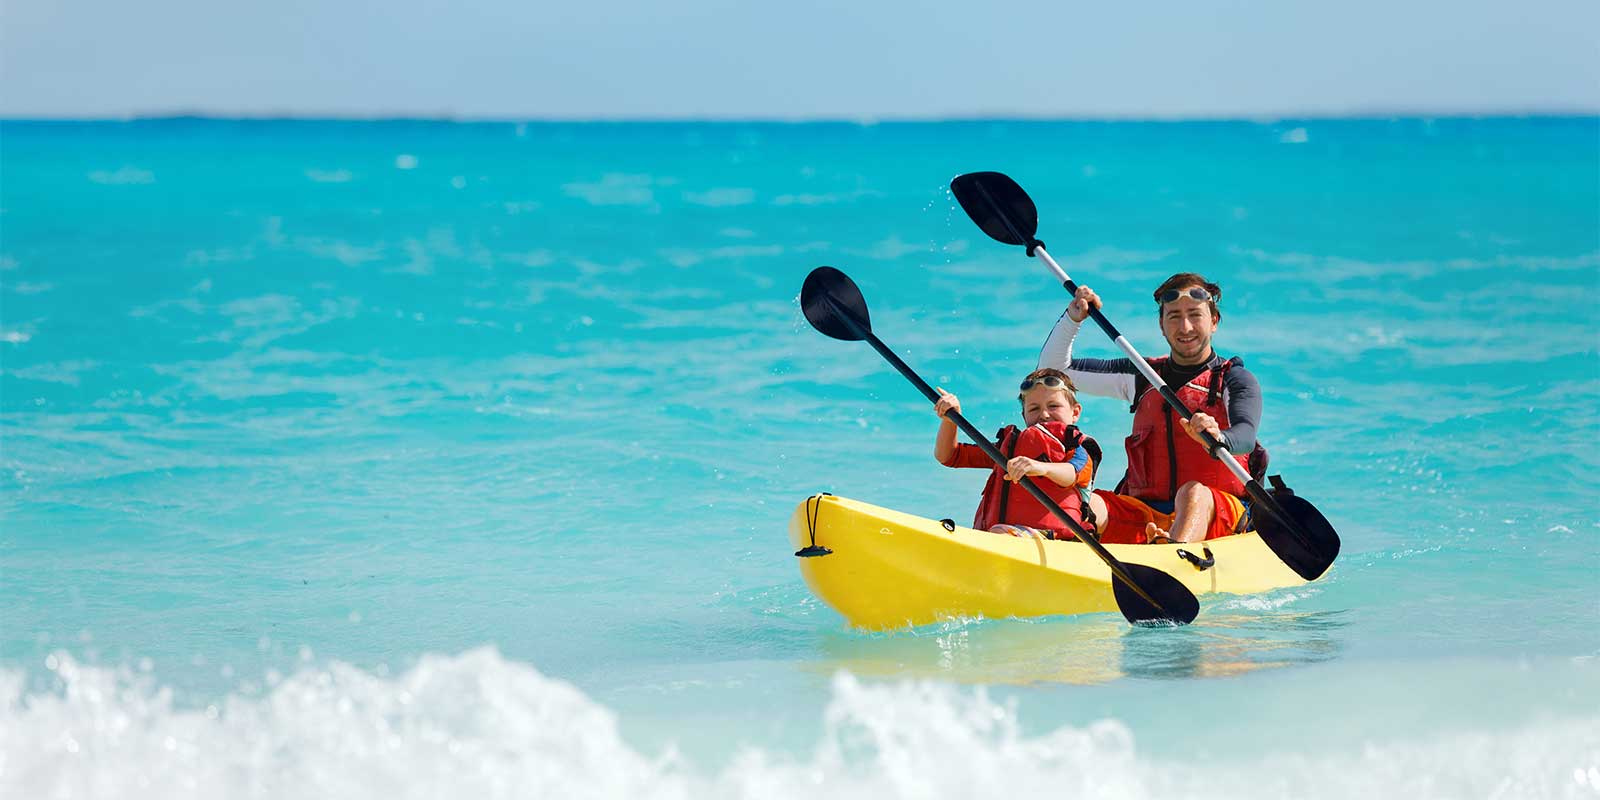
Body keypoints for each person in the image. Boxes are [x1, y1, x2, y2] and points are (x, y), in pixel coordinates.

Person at [1038, 273, 1265, 545]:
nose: (1185, 327)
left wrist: (1220, 438)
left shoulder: (1233, 379)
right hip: (1148, 513)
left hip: (1220, 514)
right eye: (1174, 317)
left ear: (1214, 321)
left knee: (1193, 493)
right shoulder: (1143, 376)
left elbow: (1246, 435)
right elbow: (1053, 371)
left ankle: (1173, 558)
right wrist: (1073, 318)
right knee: (1084, 501)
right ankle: (1046, 548)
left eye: (1195, 315)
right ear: (1161, 324)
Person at [932, 368, 1100, 540]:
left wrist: (1040, 467)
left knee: (999, 533)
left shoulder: (1077, 448)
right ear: (1024, 415)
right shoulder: (1009, 450)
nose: (1043, 414)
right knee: (993, 533)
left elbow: (1071, 474)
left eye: (1053, 406)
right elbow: (950, 455)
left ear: (1075, 412)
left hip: (1056, 541)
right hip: (1003, 536)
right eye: (1034, 408)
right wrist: (950, 420)